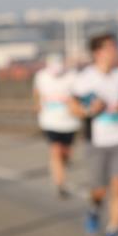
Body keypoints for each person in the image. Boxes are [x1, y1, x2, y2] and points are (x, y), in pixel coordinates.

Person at [70, 33, 118, 236]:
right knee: (99, 189)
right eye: (110, 48)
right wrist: (90, 110)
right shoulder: (86, 78)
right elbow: (72, 107)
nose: (115, 52)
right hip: (96, 142)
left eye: (115, 47)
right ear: (97, 52)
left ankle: (114, 230)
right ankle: (94, 208)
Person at [33, 54, 80, 198]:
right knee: (56, 150)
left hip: (70, 122)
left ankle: (59, 167)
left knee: (66, 152)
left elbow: (79, 95)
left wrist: (75, 105)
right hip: (49, 121)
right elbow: (37, 92)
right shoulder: (41, 76)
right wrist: (37, 104)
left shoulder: (72, 76)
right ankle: (60, 184)